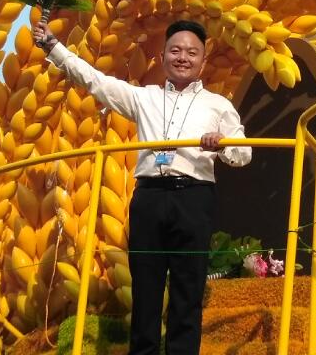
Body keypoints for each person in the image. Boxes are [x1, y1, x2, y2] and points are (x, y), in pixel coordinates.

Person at [33, 19, 252, 355]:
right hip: (149, 198)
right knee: (146, 291)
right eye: (175, 50)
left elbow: (244, 153)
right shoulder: (144, 98)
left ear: (203, 61)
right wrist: (53, 47)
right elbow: (95, 81)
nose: (183, 58)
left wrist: (220, 144)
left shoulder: (217, 105)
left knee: (187, 290)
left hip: (194, 199)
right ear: (162, 56)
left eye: (192, 53)